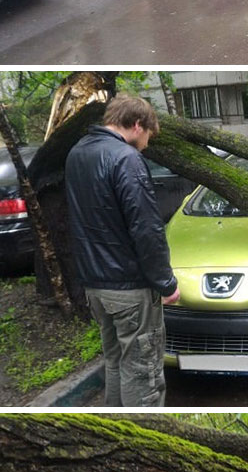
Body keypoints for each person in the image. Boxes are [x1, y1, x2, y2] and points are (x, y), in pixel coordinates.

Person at [65, 93, 180, 407]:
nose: (146, 144)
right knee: (143, 373)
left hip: (95, 285)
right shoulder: (126, 159)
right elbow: (146, 228)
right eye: (147, 137)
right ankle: (144, 434)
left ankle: (116, 420)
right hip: (129, 286)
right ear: (137, 125)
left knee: (115, 362)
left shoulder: (77, 153)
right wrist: (166, 283)